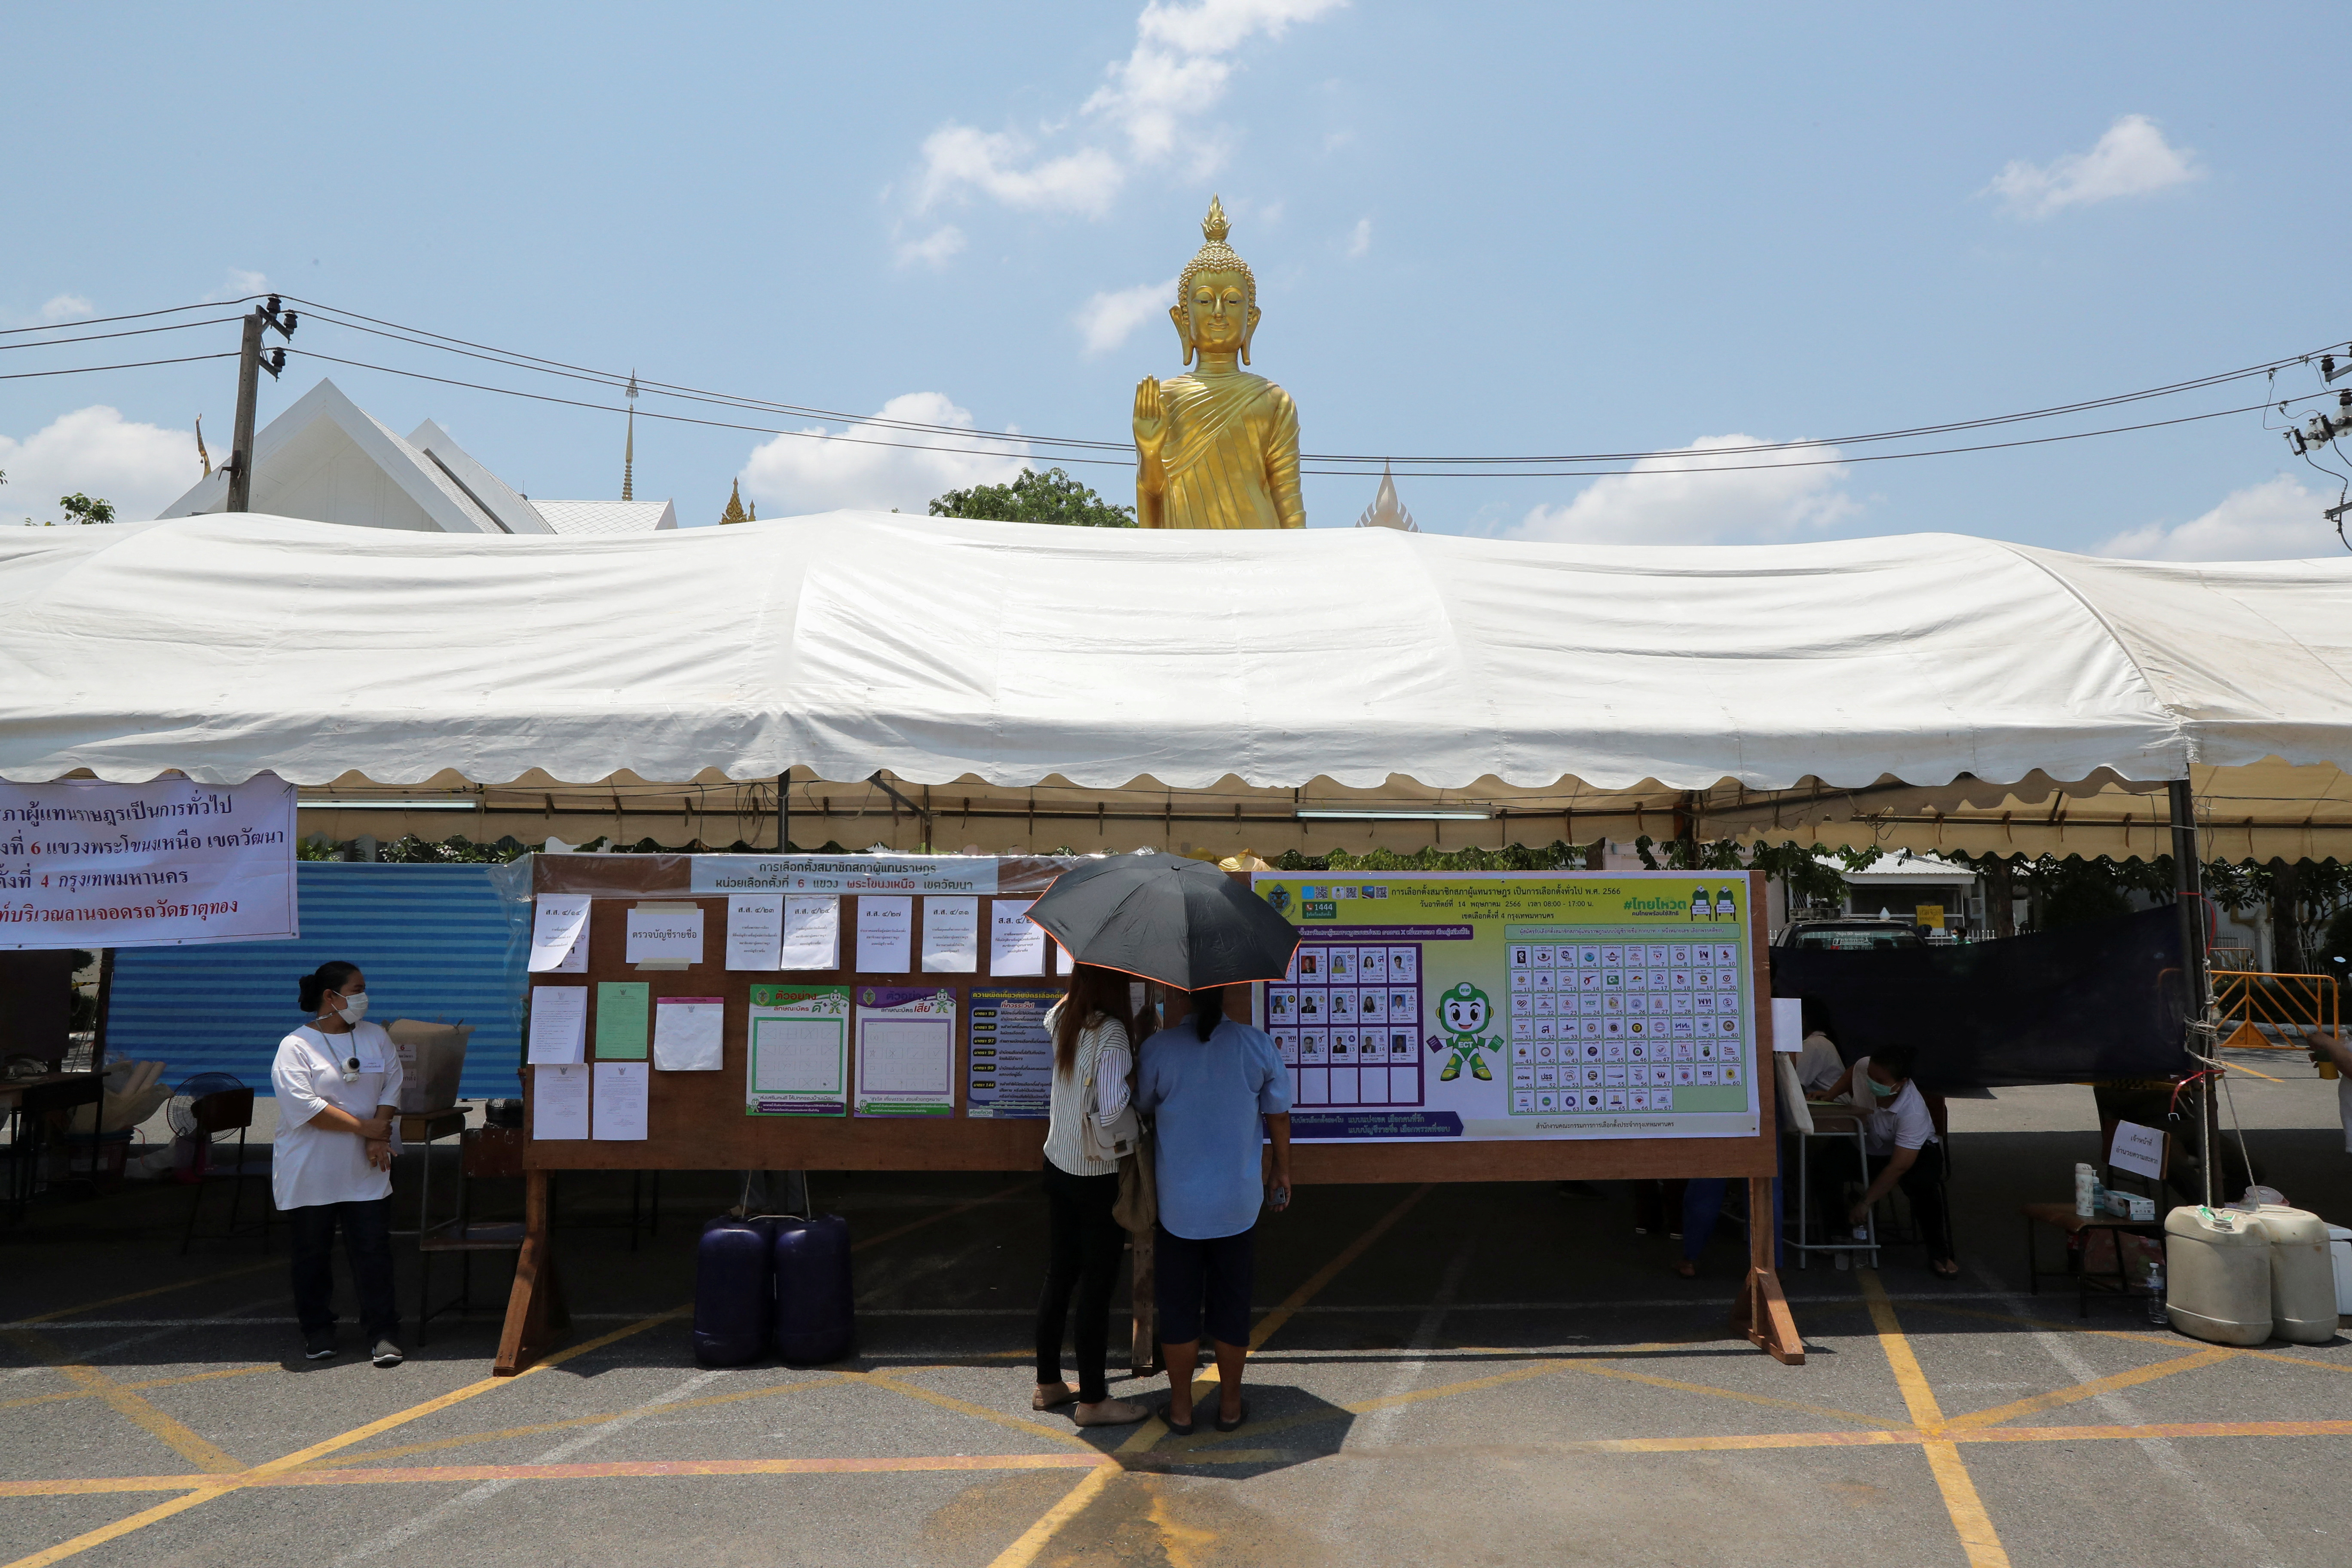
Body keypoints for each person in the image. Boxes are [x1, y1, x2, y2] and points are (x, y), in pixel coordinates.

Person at [1133, 984, 1292, 1436]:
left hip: (1179, 1206)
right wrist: (1282, 1170)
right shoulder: (1255, 1044)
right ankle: (1230, 1406)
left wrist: (1146, 1040)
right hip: (1237, 1203)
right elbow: (1278, 1114)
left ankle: (1181, 1410)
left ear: (1183, 999)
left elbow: (1142, 1106)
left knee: (1179, 1307)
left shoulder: (1160, 1049)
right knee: (1232, 1305)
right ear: (1225, 997)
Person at [1031, 965, 1149, 1427]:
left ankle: (1048, 1384)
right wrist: (1137, 1060)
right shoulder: (1114, 1033)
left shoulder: (1063, 1017)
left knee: (1060, 1273)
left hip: (1057, 1162)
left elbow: (1054, 1019)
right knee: (1097, 1288)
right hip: (1095, 1172)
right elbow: (1114, 1104)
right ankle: (1095, 1400)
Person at [272, 962, 405, 1366]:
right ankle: (317, 1329)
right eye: (358, 989)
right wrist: (367, 1132)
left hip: (366, 1167)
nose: (364, 998)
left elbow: (392, 1084)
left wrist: (377, 1132)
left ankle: (383, 1331)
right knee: (311, 1252)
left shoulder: (375, 1037)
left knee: (373, 1249)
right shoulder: (295, 1046)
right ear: (331, 997)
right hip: (311, 1169)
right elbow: (308, 1109)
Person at [1812, 1040, 1957, 1278]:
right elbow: (1854, 1072)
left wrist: (1866, 1202)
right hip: (1867, 1143)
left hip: (1913, 1155)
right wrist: (1831, 1094)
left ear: (1901, 1084)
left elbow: (1899, 1166)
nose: (1871, 1083)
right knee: (1823, 1167)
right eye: (1871, 1077)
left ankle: (1939, 1252)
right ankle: (1837, 1235)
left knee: (1923, 1187)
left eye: (1880, 1082)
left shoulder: (1912, 1111)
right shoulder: (1865, 1068)